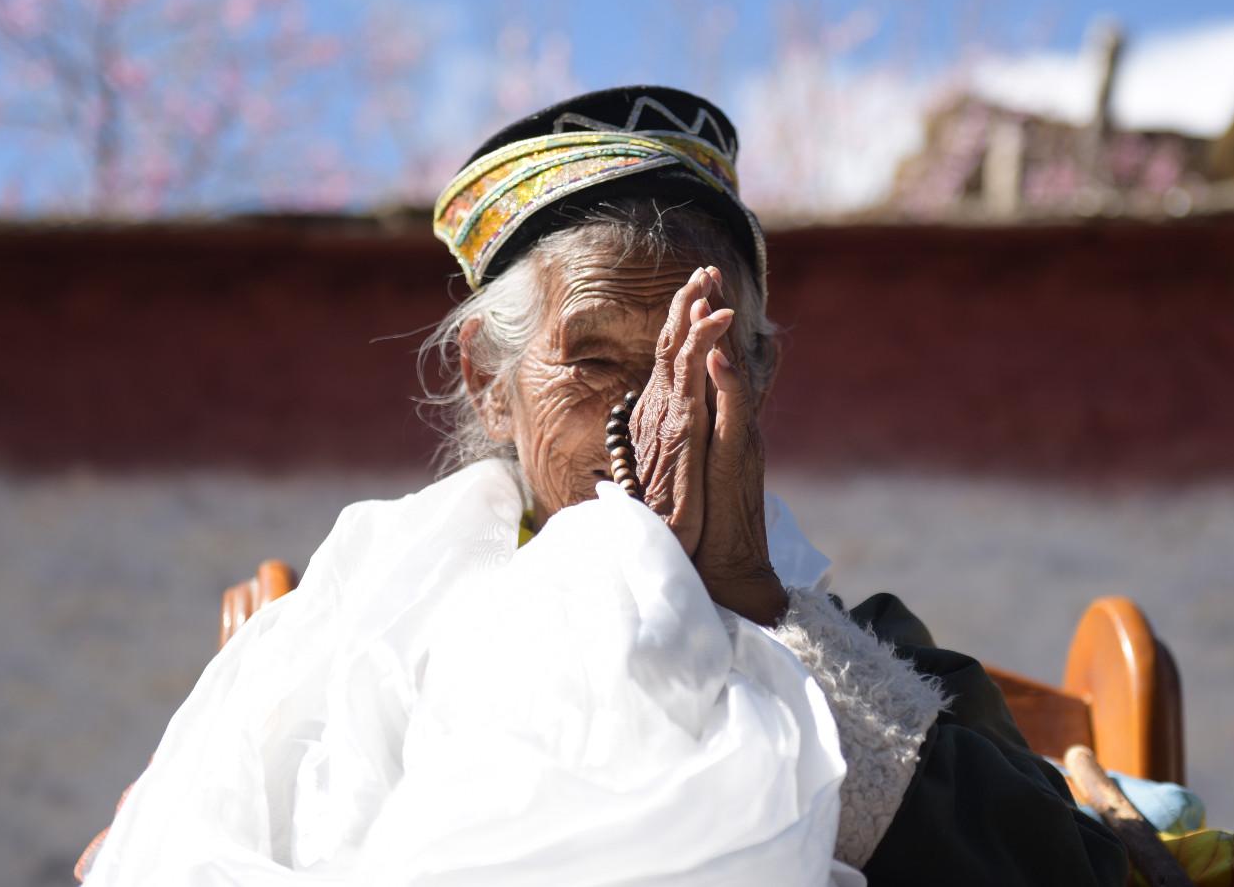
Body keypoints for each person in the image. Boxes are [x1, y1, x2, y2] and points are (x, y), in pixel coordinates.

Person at [82, 86, 1132, 885]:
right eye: (593, 361)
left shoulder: (879, 657)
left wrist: (755, 608)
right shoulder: (347, 647)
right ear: (490, 385)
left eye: (701, 358)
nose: (646, 412)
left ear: (757, 383)